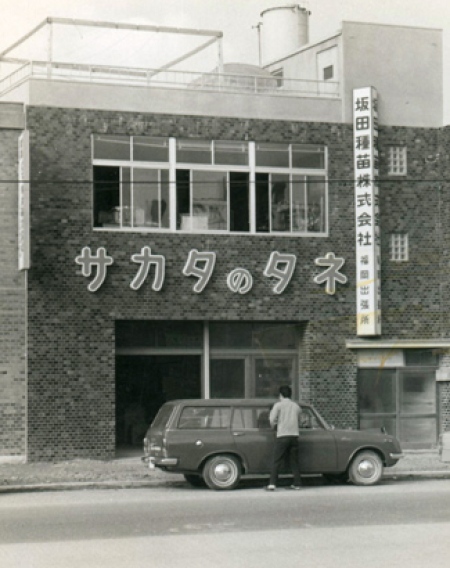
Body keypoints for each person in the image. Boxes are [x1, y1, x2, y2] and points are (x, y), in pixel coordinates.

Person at [266, 385, 302, 491]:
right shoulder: (296, 406)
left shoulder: (278, 405)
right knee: (294, 461)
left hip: (282, 435)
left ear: (281, 395)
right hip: (294, 435)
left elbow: (272, 419)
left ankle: (272, 483)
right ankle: (297, 483)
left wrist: (274, 427)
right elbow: (300, 420)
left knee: (277, 460)